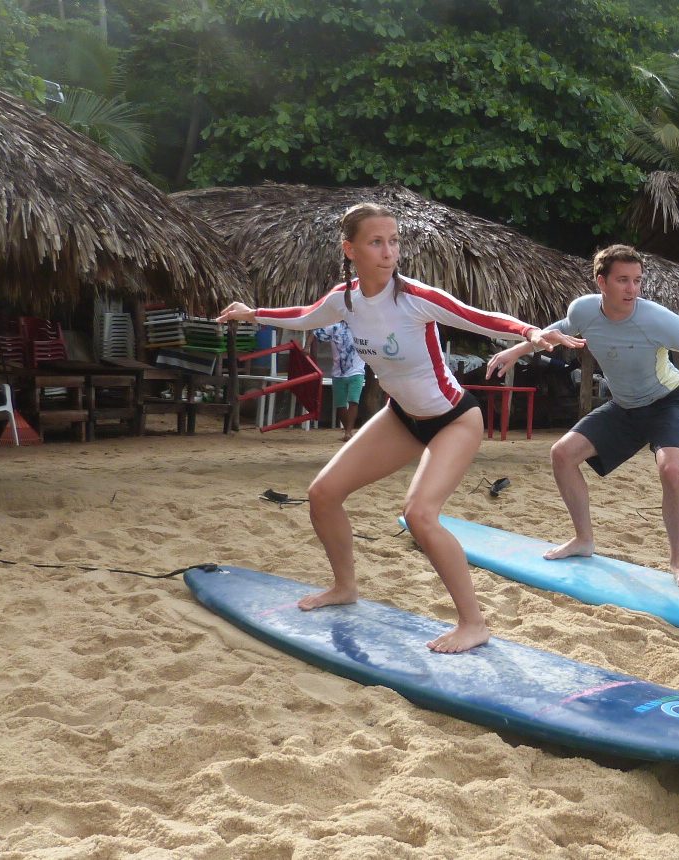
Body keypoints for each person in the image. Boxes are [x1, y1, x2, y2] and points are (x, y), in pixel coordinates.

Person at [215, 202, 582, 652]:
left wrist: (528, 333)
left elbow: (478, 317)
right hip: (401, 417)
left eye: (394, 241)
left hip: (454, 419)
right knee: (323, 494)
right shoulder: (344, 300)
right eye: (376, 242)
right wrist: (252, 313)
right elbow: (305, 316)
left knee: (419, 515)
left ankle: (474, 623)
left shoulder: (414, 298)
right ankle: (344, 586)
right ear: (350, 249)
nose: (389, 252)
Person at [487, 244, 679, 592]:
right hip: (625, 408)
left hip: (667, 404)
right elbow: (554, 330)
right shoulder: (584, 311)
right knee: (561, 454)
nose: (632, 289)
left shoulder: (656, 319)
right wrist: (517, 348)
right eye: (622, 280)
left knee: (671, 467)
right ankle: (583, 540)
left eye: (637, 280)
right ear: (601, 282)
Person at [310, 321, 364, 441]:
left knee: (353, 401)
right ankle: (348, 432)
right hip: (338, 373)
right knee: (340, 405)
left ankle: (348, 432)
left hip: (357, 372)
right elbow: (315, 333)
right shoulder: (334, 327)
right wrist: (307, 349)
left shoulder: (362, 326)